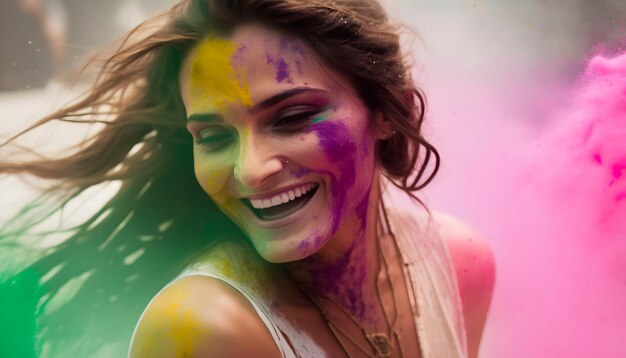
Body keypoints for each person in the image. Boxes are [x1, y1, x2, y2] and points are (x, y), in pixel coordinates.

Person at [0, 0, 495, 357]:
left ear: (390, 111)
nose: (251, 170)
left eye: (292, 117)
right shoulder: (203, 330)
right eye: (213, 137)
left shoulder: (458, 265)